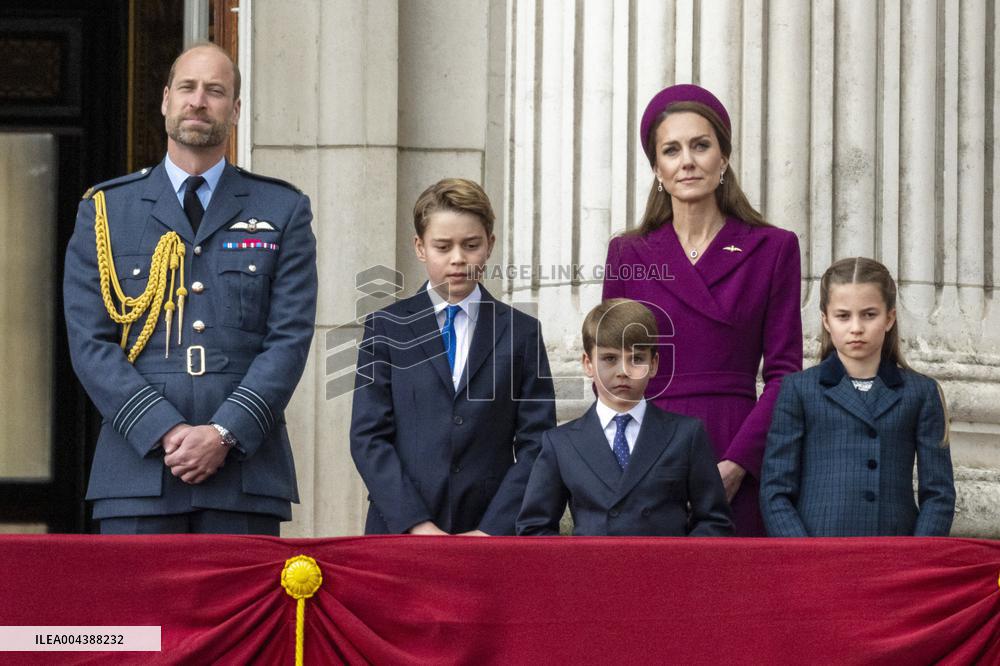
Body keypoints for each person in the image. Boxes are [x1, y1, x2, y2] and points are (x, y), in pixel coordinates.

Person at [64, 42, 317, 534]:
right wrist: (165, 429)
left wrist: (224, 433)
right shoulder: (105, 211)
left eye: (216, 91)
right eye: (188, 87)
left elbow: (289, 339)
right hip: (136, 472)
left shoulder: (283, 209)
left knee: (241, 615)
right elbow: (88, 341)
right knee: (139, 612)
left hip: (243, 472)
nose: (199, 101)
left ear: (236, 110)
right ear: (165, 100)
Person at [602, 84, 802, 536]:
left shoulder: (773, 248)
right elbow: (611, 369)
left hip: (736, 440)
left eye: (701, 145)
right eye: (671, 150)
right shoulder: (628, 252)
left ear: (724, 158)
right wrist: (621, 458)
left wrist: (739, 462)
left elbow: (785, 374)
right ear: (657, 168)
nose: (687, 161)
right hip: (648, 446)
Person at [350, 178, 556, 536]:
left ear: (490, 245)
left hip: (490, 533)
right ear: (420, 247)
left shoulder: (521, 332)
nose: (458, 259)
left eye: (471, 245)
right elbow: (368, 436)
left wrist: (491, 529)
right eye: (443, 246)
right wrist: (416, 524)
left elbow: (537, 442)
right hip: (399, 531)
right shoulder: (386, 327)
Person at [760, 258, 954, 537]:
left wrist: (917, 555)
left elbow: (939, 493)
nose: (856, 328)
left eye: (869, 314)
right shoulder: (799, 390)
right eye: (843, 316)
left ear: (889, 318)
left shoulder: (921, 393)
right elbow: (775, 489)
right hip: (817, 554)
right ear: (826, 320)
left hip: (895, 556)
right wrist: (801, 553)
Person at [516, 299, 733, 536]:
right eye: (609, 359)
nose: (623, 371)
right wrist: (573, 570)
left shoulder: (686, 435)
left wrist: (679, 566)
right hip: (591, 570)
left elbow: (714, 522)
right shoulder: (560, 443)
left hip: (666, 570)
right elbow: (534, 529)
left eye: (637, 359)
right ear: (588, 364)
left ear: (654, 364)